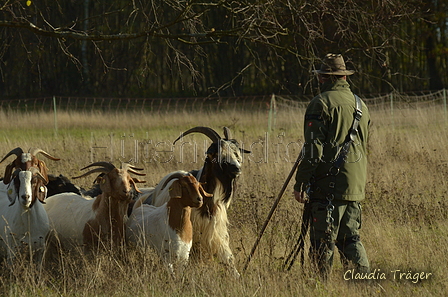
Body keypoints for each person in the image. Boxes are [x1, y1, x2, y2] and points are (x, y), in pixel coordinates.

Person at [293, 53, 370, 280]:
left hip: (328, 185)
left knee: (322, 242)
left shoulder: (321, 103)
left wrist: (301, 182)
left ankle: (319, 287)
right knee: (350, 239)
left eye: (320, 77)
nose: (318, 81)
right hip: (355, 185)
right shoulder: (361, 105)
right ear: (343, 77)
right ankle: (365, 284)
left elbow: (313, 149)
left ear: (324, 77)